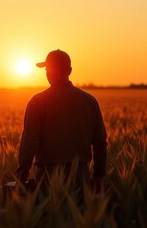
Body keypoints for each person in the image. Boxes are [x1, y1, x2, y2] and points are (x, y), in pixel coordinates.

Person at [17, 49, 107, 191]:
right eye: (47, 69)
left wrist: (21, 176)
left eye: (50, 69)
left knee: (50, 213)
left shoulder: (38, 102)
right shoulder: (89, 101)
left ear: (69, 71)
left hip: (47, 176)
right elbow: (100, 142)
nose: (47, 73)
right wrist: (98, 175)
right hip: (80, 176)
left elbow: (29, 142)